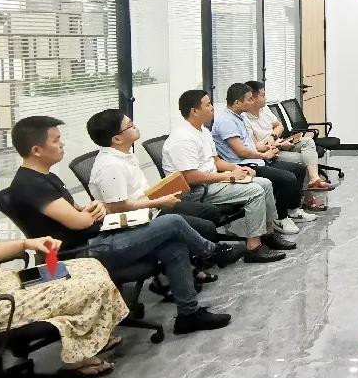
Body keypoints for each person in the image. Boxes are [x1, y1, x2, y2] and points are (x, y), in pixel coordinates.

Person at [8, 116, 231, 334]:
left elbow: (79, 210)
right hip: (82, 253)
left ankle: (188, 315)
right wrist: (95, 210)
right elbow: (79, 222)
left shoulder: (46, 177)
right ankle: (213, 252)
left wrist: (93, 207)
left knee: (173, 246)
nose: (62, 144)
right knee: (172, 222)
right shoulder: (31, 185)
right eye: (56, 140)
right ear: (36, 150)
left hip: (98, 237)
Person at [85, 109, 245, 278]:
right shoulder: (111, 166)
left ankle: (195, 262)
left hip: (150, 207)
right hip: (137, 220)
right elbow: (118, 207)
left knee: (210, 212)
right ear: (117, 139)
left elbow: (136, 193)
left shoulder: (125, 154)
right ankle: (208, 256)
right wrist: (159, 202)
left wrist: (163, 193)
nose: (135, 126)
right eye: (130, 125)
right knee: (206, 227)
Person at [162, 89, 293, 263]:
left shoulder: (203, 131)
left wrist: (238, 168)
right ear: (194, 111)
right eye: (208, 105)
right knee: (255, 191)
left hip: (212, 181)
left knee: (265, 183)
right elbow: (191, 177)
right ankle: (253, 248)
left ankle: (268, 234)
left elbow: (215, 161)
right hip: (196, 191)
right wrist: (229, 176)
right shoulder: (182, 138)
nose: (212, 108)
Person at [0, 236, 128, 377]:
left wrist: (25, 244)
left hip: (0, 281)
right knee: (94, 286)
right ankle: (80, 354)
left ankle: (96, 340)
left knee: (92, 265)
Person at [211, 83, 318, 229]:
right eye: (249, 99)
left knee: (298, 170)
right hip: (244, 165)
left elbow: (250, 144)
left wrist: (267, 148)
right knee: (287, 178)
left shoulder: (239, 117)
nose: (252, 102)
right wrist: (265, 155)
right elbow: (241, 152)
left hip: (255, 159)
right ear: (237, 103)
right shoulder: (226, 121)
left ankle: (293, 210)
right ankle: (280, 218)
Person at [242, 80, 335, 200]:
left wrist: (273, 137)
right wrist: (278, 145)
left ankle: (314, 179)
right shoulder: (244, 118)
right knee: (302, 160)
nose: (265, 98)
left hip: (277, 142)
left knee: (308, 141)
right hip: (270, 152)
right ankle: (306, 199)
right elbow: (256, 147)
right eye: (263, 95)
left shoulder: (264, 109)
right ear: (252, 98)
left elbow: (279, 126)